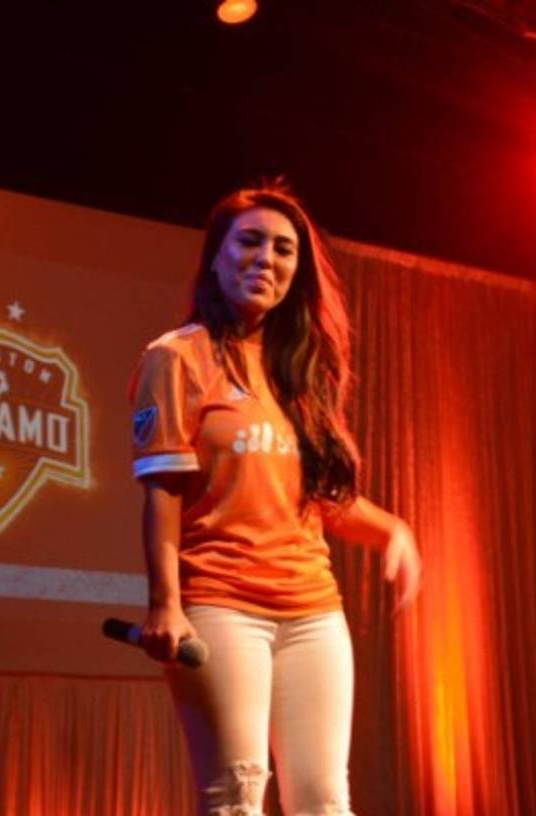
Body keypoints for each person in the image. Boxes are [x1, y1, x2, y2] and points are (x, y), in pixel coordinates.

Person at [128, 184, 421, 816]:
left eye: (284, 249)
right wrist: (164, 606)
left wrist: (393, 530)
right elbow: (163, 492)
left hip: (314, 611)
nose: (267, 258)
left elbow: (319, 500)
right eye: (250, 241)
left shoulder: (301, 372)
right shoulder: (177, 357)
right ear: (216, 257)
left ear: (297, 272)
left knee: (323, 800)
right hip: (220, 605)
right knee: (236, 794)